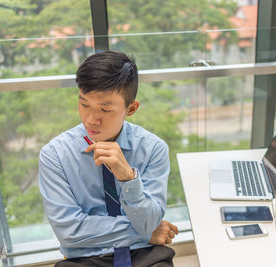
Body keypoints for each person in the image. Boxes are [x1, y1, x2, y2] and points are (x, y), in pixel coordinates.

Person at [39, 50, 179, 267]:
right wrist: (144, 233)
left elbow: (149, 221)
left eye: (105, 109)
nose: (91, 119)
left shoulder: (153, 148)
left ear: (131, 108)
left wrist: (128, 178)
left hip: (145, 254)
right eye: (84, 105)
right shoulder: (55, 155)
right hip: (84, 258)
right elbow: (69, 231)